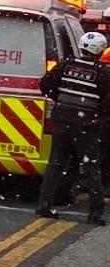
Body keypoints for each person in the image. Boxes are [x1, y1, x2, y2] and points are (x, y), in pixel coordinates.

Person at [37, 31, 110, 224]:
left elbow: (44, 85)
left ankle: (44, 205)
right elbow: (107, 101)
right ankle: (94, 214)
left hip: (62, 120)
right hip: (86, 125)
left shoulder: (66, 65)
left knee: (56, 164)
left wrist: (61, 102)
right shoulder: (103, 73)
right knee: (92, 166)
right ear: (100, 51)